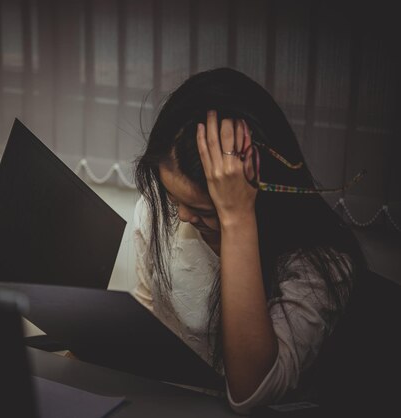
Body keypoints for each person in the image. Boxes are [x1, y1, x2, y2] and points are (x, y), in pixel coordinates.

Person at [133, 67, 367, 414]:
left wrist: (237, 218)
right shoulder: (160, 212)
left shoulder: (321, 264)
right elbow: (144, 320)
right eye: (173, 199)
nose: (181, 216)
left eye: (203, 209)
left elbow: (250, 393)